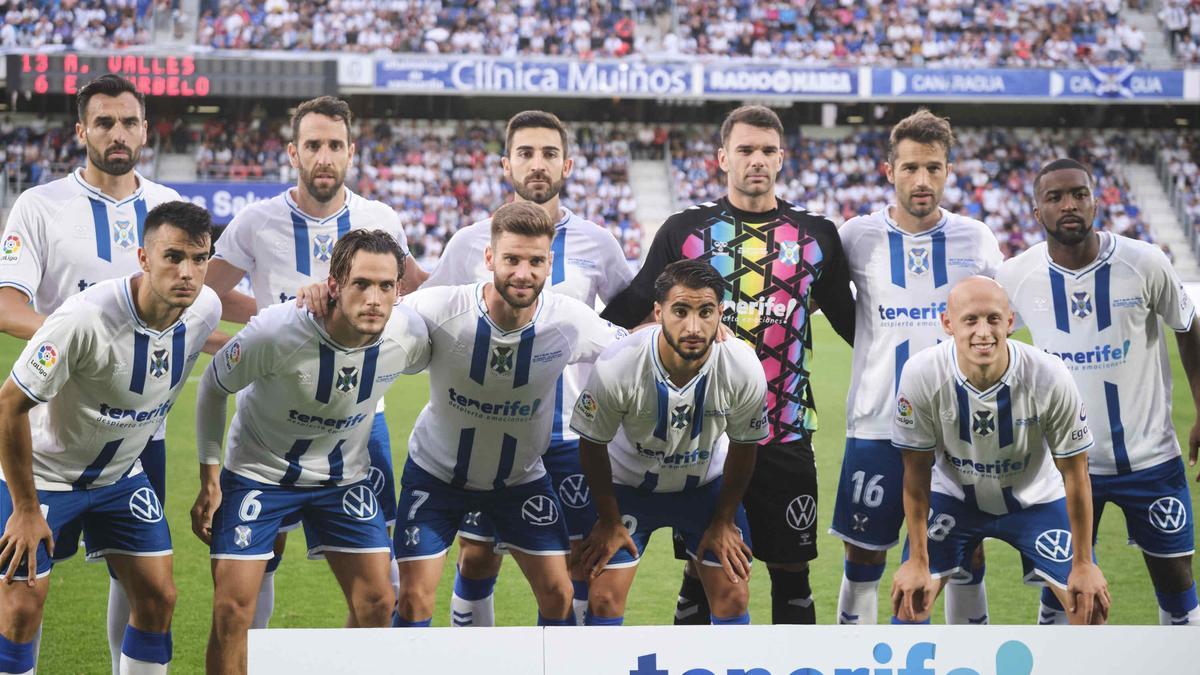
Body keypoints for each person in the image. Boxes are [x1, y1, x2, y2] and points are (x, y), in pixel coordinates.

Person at [601, 105, 855, 625]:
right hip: (704, 439)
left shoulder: (817, 237)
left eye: (766, 150)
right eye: (744, 150)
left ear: (782, 158)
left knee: (792, 573)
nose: (756, 160)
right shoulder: (686, 232)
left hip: (784, 433)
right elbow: (632, 308)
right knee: (706, 571)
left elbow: (856, 326)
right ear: (723, 158)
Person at [201, 96, 425, 629]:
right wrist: (260, 328)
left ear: (351, 152)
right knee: (258, 570)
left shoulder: (380, 219)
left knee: (380, 586)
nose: (323, 156)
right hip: (273, 419)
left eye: (334, 146)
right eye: (313, 145)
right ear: (292, 153)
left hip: (361, 423)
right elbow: (203, 299)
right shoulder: (257, 221)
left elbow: (414, 295)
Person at [0, 74, 199, 673]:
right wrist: (89, 340)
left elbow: (194, 314)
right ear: (81, 130)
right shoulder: (40, 206)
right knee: (23, 588)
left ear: (145, 130)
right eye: (104, 122)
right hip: (54, 428)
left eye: (129, 122)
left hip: (143, 434)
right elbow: (7, 304)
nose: (118, 133)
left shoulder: (167, 211)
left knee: (142, 578)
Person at [422, 110, 633, 627]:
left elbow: (631, 326)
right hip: (487, 431)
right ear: (505, 164)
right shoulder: (471, 241)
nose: (537, 165)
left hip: (569, 434)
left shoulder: (598, 244)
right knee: (477, 555)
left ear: (568, 165)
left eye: (548, 154)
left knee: (577, 565)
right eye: (526, 153)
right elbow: (424, 317)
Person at [193, 230, 430, 674]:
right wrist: (210, 476)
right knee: (231, 612)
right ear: (334, 285)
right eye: (361, 283)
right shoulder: (277, 330)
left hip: (341, 481)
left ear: (400, 291)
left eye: (385, 286)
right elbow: (213, 386)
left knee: (378, 603)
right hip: (257, 475)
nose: (374, 298)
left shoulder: (410, 335)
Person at [997, 158, 1200, 626]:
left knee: (1176, 582)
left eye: (1079, 194)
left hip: (1149, 459)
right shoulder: (1017, 276)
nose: (1069, 204)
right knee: (1060, 591)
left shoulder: (1145, 262)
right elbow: (985, 341)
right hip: (1063, 464)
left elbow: (1188, 327)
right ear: (1036, 211)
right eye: (1055, 197)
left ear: (1095, 200)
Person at [830, 109, 1002, 625]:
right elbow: (821, 305)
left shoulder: (977, 238)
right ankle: (852, 659)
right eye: (909, 168)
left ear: (948, 171)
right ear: (889, 171)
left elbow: (998, 328)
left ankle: (962, 660)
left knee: (964, 555)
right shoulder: (856, 236)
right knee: (863, 555)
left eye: (932, 167)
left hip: (958, 428)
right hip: (876, 423)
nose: (921, 180)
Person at [890, 276, 1110, 626]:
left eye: (993, 319)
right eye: (970, 320)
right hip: (954, 497)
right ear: (948, 324)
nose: (983, 332)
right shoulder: (922, 373)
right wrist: (917, 559)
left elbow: (1075, 471)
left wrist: (1083, 563)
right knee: (910, 601)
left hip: (1035, 499)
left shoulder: (1048, 375)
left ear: (1009, 322)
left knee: (1089, 605)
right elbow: (915, 474)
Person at [571, 260, 767, 626]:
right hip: (628, 488)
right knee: (603, 597)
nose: (693, 326)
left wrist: (725, 519)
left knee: (734, 594)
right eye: (681, 311)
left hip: (705, 488)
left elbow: (745, 445)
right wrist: (610, 520)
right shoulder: (620, 363)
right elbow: (592, 443)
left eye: (705, 312)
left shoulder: (742, 365)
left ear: (720, 313)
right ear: (658, 312)